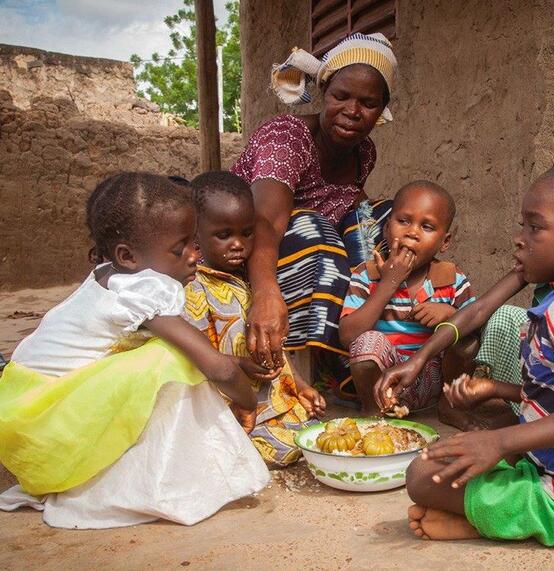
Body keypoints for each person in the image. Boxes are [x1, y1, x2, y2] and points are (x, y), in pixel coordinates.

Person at [376, 162, 554, 544]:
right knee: (448, 455)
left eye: (535, 228)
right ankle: (492, 508)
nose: (519, 239)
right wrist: (422, 360)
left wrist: (500, 442)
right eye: (523, 225)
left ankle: (486, 520)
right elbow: (477, 312)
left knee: (422, 476)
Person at [0, 173, 268, 529]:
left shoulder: (112, 276)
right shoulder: (143, 288)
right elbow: (217, 369)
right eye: (180, 248)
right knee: (171, 358)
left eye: (194, 242)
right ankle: (146, 485)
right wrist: (247, 402)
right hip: (45, 430)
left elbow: (214, 358)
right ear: (127, 255)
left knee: (169, 353)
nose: (194, 256)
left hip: (27, 422)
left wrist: (231, 361)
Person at [231, 33, 398, 402]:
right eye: (341, 96)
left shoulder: (364, 152)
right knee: (314, 230)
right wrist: (265, 294)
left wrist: (381, 239)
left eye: (368, 103)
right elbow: (264, 223)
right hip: (248, 258)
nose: (352, 111)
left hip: (308, 262)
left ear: (382, 108)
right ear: (324, 92)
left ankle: (370, 351)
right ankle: (303, 367)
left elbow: (351, 206)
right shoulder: (288, 137)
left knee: (388, 218)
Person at [183, 171, 325, 466]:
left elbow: (277, 346)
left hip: (272, 399)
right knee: (279, 450)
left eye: (246, 233)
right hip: (231, 405)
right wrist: (238, 364)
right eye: (224, 235)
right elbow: (196, 358)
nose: (238, 244)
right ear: (195, 235)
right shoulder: (194, 288)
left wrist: (299, 384)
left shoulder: (249, 278)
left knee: (318, 436)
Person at [338, 181, 478, 417]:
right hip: (382, 384)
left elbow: (476, 328)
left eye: (427, 227)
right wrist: (388, 284)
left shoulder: (452, 278)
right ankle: (374, 413)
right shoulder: (366, 274)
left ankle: (451, 406)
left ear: (444, 242)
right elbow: (347, 335)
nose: (412, 232)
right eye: (403, 221)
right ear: (386, 228)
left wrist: (450, 315)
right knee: (367, 342)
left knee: (465, 339)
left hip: (433, 381)